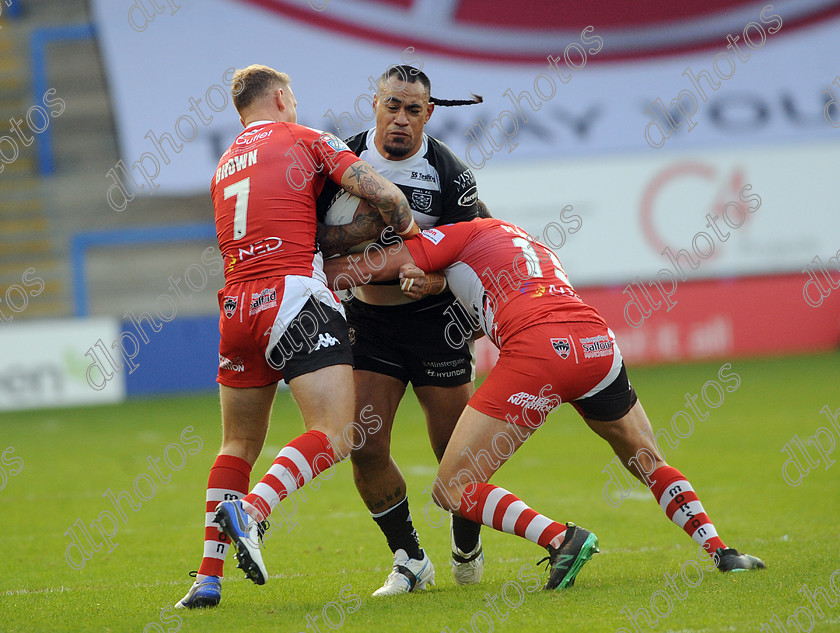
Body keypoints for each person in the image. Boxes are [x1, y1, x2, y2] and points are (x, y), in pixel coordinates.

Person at [323, 216, 765, 590]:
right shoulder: (525, 242)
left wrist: (296, 265)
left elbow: (372, 266)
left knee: (451, 487)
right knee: (646, 457)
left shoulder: (458, 233)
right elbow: (488, 295)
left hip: (541, 350)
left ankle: (561, 539)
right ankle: (722, 551)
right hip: (597, 342)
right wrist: (437, 283)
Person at [175, 64, 418, 609]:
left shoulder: (223, 166)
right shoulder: (305, 138)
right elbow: (391, 200)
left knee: (236, 444)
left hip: (237, 307)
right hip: (293, 298)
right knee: (334, 433)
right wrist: (414, 243)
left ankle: (207, 579)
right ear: (282, 98)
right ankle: (254, 511)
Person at [315, 65, 488, 596]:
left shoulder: (451, 174)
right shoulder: (338, 162)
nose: (401, 119)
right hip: (369, 323)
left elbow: (477, 246)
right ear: (375, 103)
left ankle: (466, 542)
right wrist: (361, 238)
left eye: (413, 110)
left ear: (429, 114)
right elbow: (308, 236)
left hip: (436, 323)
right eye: (392, 105)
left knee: (457, 454)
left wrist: (434, 281)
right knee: (363, 445)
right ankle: (410, 558)